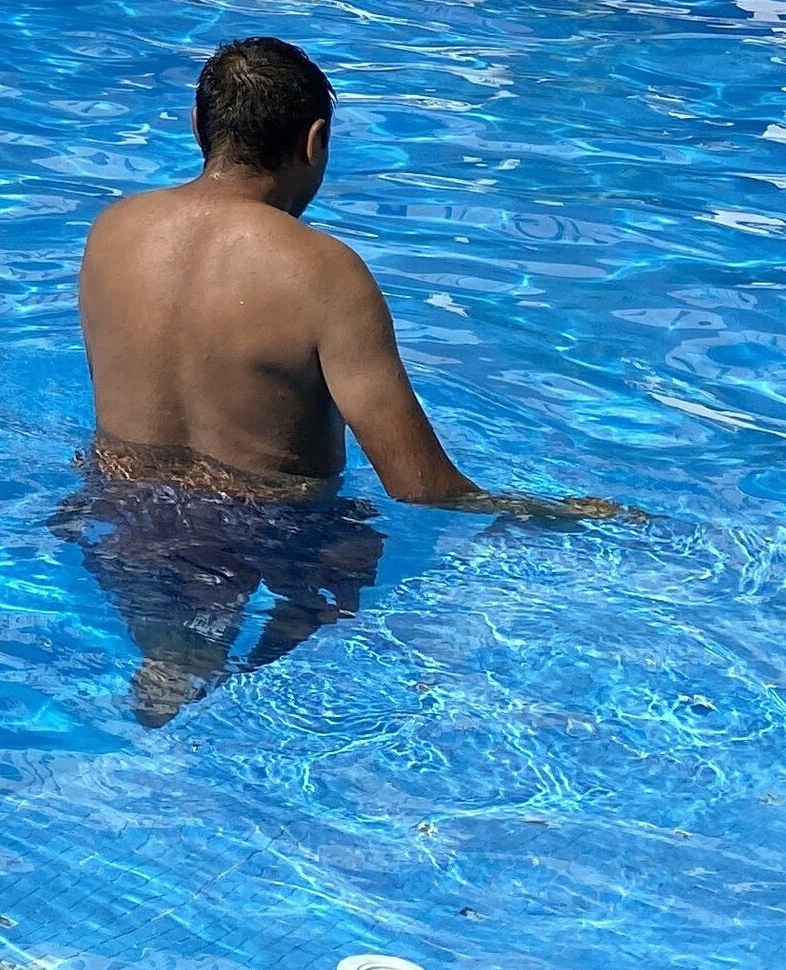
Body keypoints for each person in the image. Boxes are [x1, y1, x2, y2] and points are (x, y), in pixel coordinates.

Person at [65, 35, 614, 723]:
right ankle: (252, 693)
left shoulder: (113, 230)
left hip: (124, 504)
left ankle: (175, 663)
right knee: (352, 546)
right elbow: (419, 486)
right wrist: (550, 511)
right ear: (316, 141)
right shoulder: (325, 273)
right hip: (274, 523)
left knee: (178, 643)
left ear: (199, 125)